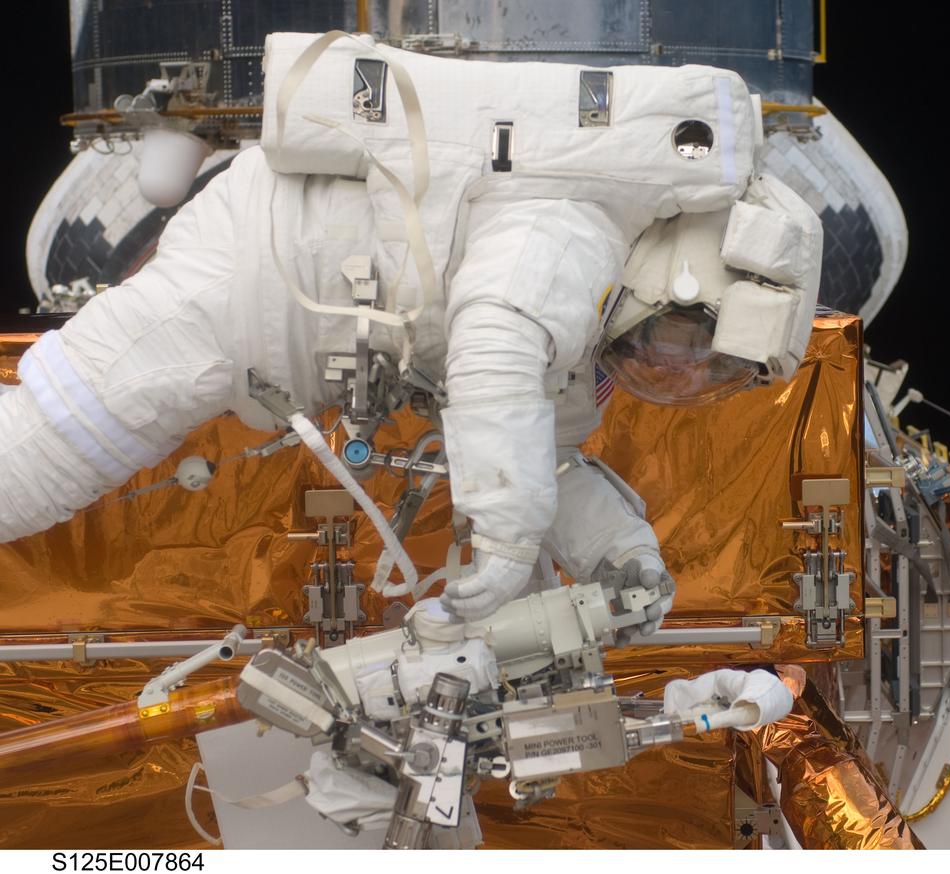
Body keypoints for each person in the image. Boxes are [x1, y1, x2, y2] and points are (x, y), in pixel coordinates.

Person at [0, 32, 822, 638]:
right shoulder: (577, 237)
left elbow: (553, 455)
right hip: (232, 284)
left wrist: (623, 552)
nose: (665, 365)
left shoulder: (592, 296)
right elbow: (495, 346)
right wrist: (505, 543)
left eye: (696, 369)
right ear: (683, 267)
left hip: (256, 314)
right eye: (681, 340)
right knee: (27, 466)